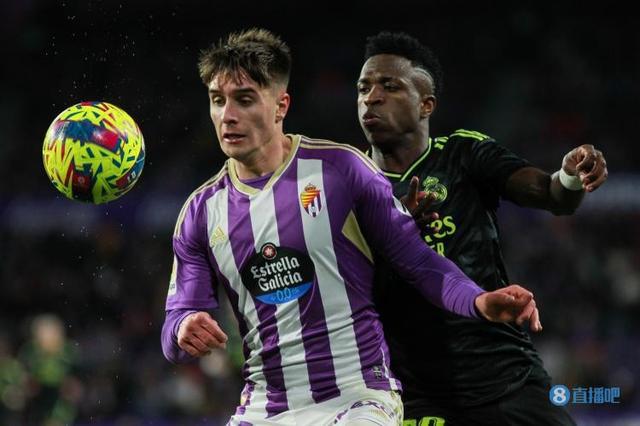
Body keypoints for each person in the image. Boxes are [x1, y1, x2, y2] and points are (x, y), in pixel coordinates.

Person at [161, 28, 542, 426]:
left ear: (280, 106)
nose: (228, 115)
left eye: (244, 99)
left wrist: (479, 301)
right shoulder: (201, 213)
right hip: (264, 409)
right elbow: (177, 321)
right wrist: (184, 328)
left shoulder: (341, 171)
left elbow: (418, 261)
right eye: (217, 100)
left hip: (358, 399)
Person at [357, 31, 608, 426]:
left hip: (503, 376)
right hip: (413, 393)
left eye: (389, 86)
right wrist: (394, 235)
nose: (371, 97)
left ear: (426, 104)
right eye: (364, 87)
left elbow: (551, 195)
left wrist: (571, 177)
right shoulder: (345, 185)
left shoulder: (462, 153)